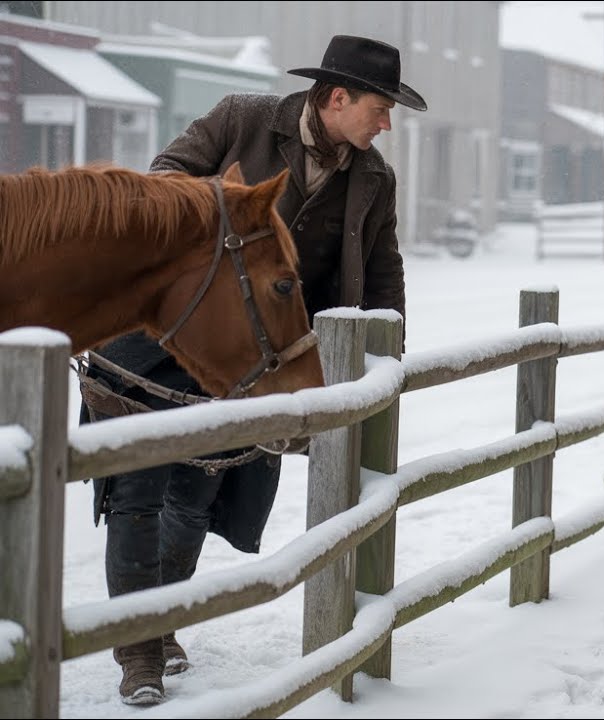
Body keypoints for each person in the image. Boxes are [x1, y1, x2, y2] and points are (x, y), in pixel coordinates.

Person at [80, 34, 426, 706]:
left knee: (198, 493)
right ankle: (138, 654)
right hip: (158, 337)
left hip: (255, 361)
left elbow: (383, 272)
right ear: (337, 98)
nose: (386, 124)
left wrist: (387, 359)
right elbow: (162, 179)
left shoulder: (373, 179)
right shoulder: (241, 119)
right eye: (381, 108)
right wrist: (227, 219)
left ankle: (162, 623)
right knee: (136, 491)